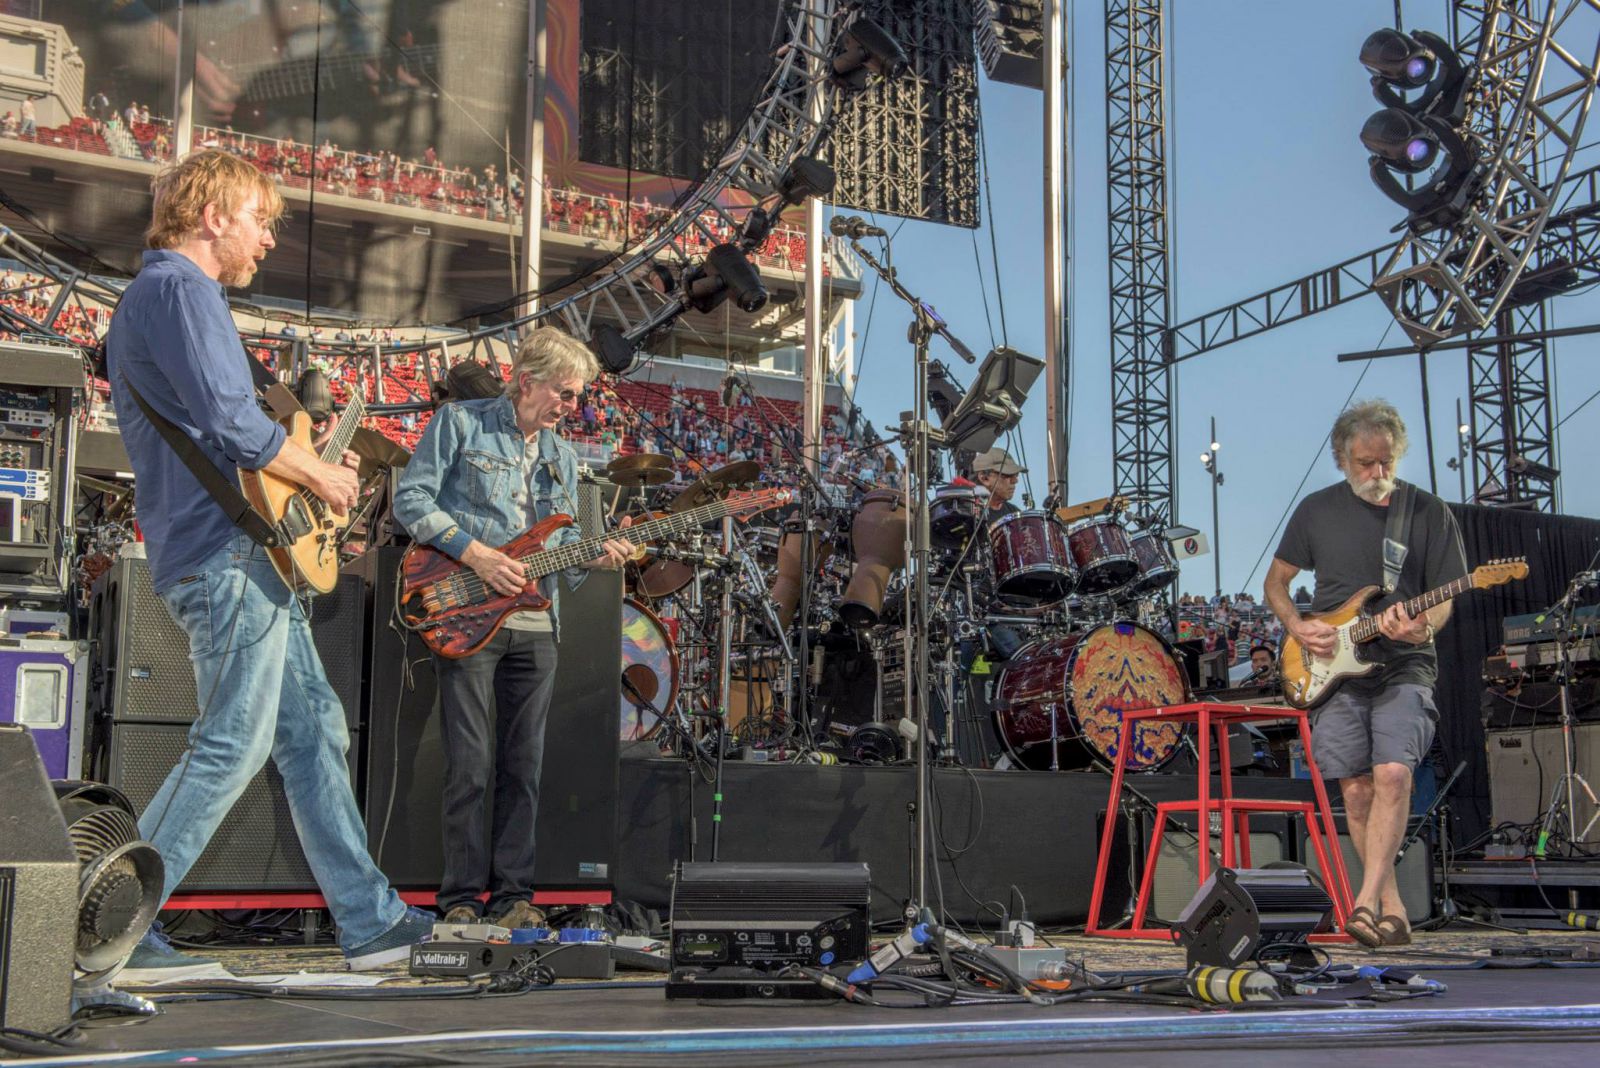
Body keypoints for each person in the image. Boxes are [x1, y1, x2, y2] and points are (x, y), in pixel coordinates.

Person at [106, 150, 433, 979]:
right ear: (212, 215)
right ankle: (115, 924)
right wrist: (321, 473)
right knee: (230, 746)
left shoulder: (158, 296)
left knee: (314, 733)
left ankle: (371, 922)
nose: (267, 239)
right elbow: (227, 421)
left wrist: (299, 484)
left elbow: (229, 431)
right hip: (226, 561)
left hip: (241, 557)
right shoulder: (182, 290)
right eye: (260, 219)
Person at [393, 327, 636, 929]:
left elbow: (572, 541)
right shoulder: (461, 423)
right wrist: (476, 554)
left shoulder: (563, 456)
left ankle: (512, 898)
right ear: (527, 381)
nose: (571, 406)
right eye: (565, 392)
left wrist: (598, 555)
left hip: (535, 621)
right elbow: (412, 499)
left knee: (523, 767)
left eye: (576, 396)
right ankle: (460, 900)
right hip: (466, 610)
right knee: (470, 764)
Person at [1264, 399, 1466, 949]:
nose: (1377, 474)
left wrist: (1422, 628)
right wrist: (1299, 627)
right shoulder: (1316, 511)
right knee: (1354, 788)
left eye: (1385, 462)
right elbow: (1276, 584)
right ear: (1342, 459)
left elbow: (1446, 596)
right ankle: (1392, 906)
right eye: (1364, 464)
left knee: (1394, 774)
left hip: (1405, 663)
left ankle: (1362, 901)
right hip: (1335, 664)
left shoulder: (1427, 513)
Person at [970, 447, 1024, 519]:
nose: (1015, 481)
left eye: (1016, 475)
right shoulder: (964, 513)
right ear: (984, 478)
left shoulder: (1015, 513)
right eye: (1007, 475)